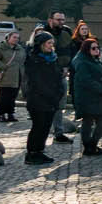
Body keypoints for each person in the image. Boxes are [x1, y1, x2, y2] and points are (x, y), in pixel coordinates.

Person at [21, 31, 66, 165]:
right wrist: (50, 95)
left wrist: (58, 94)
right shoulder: (33, 59)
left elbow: (58, 77)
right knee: (38, 126)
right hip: (38, 99)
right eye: (48, 43)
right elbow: (37, 82)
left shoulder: (53, 58)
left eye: (52, 43)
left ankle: (39, 151)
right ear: (40, 44)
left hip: (51, 99)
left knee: (46, 127)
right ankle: (32, 153)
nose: (51, 46)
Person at [71, 36, 102, 155]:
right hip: (88, 96)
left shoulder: (95, 60)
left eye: (98, 48)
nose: (97, 50)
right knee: (88, 121)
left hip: (97, 96)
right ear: (86, 49)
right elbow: (86, 80)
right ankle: (89, 146)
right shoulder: (83, 62)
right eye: (93, 48)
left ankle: (92, 145)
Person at [0, 28, 24, 124]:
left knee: (12, 96)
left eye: (18, 38)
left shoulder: (20, 49)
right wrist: (3, 66)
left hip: (17, 76)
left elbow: (23, 60)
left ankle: (11, 113)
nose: (16, 39)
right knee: (4, 96)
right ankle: (1, 114)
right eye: (14, 37)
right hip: (5, 76)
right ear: (8, 38)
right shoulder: (0, 48)